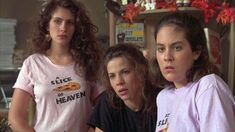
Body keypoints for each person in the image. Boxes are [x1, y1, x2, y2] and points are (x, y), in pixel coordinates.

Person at [8, 0, 104, 131]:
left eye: (69, 23)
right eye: (57, 21)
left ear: (76, 28)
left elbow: (104, 108)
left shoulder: (88, 61)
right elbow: (15, 118)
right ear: (47, 25)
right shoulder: (33, 63)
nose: (63, 28)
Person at [152, 12, 235, 132]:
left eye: (177, 48)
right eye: (161, 49)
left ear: (196, 51)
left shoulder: (208, 87)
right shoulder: (163, 97)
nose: (167, 57)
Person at [88, 44, 161, 132]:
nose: (119, 82)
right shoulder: (108, 101)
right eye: (112, 76)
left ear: (141, 70)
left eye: (125, 72)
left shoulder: (161, 99)